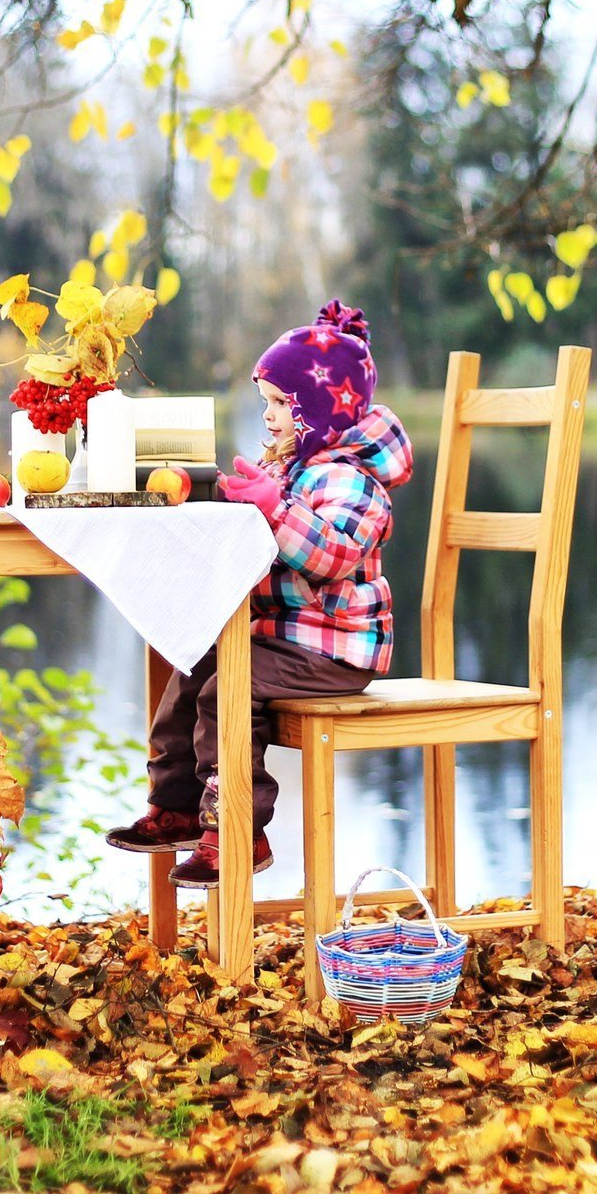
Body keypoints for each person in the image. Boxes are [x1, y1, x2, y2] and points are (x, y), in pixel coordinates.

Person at [104, 300, 413, 885]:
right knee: (191, 662)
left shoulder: (350, 479)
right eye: (265, 402)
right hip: (282, 638)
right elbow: (256, 544)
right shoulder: (293, 467)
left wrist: (274, 509)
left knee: (228, 691)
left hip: (336, 649)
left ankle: (238, 829)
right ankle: (176, 808)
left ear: (318, 409)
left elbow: (333, 555)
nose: (268, 416)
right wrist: (229, 506)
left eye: (280, 404)